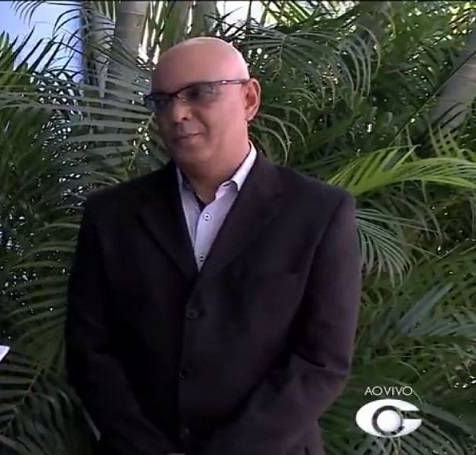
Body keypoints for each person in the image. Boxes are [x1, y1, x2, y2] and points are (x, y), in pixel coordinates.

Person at [65, 37, 362, 455]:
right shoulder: (112, 214)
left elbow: (321, 361)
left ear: (249, 99)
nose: (177, 114)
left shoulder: (318, 212)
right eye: (162, 101)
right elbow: (90, 350)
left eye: (199, 93)